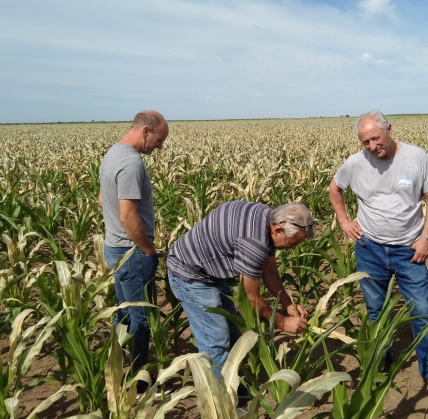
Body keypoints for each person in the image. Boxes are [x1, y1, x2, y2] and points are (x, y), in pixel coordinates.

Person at [328, 110, 428, 403]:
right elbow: (334, 189)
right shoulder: (355, 163)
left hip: (409, 251)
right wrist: (344, 222)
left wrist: (427, 237)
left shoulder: (416, 157)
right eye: (365, 141)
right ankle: (381, 366)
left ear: (389, 129)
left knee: (421, 311)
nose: (371, 146)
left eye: (375, 138)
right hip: (369, 249)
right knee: (375, 311)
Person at [166, 201, 313, 378]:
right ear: (277, 230)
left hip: (212, 271)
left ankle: (235, 384)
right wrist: (283, 323)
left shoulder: (268, 217)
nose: (294, 247)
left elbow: (269, 269)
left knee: (234, 333)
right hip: (190, 273)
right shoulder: (254, 243)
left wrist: (288, 304)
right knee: (216, 342)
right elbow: (249, 299)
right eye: (292, 242)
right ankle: (218, 401)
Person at [98, 110, 169, 392]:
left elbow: (104, 200)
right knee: (141, 319)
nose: (160, 146)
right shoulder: (131, 164)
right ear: (145, 132)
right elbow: (128, 216)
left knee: (123, 315)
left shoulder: (112, 153)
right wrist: (148, 250)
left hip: (114, 248)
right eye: (160, 139)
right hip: (132, 253)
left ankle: (116, 369)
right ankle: (139, 386)